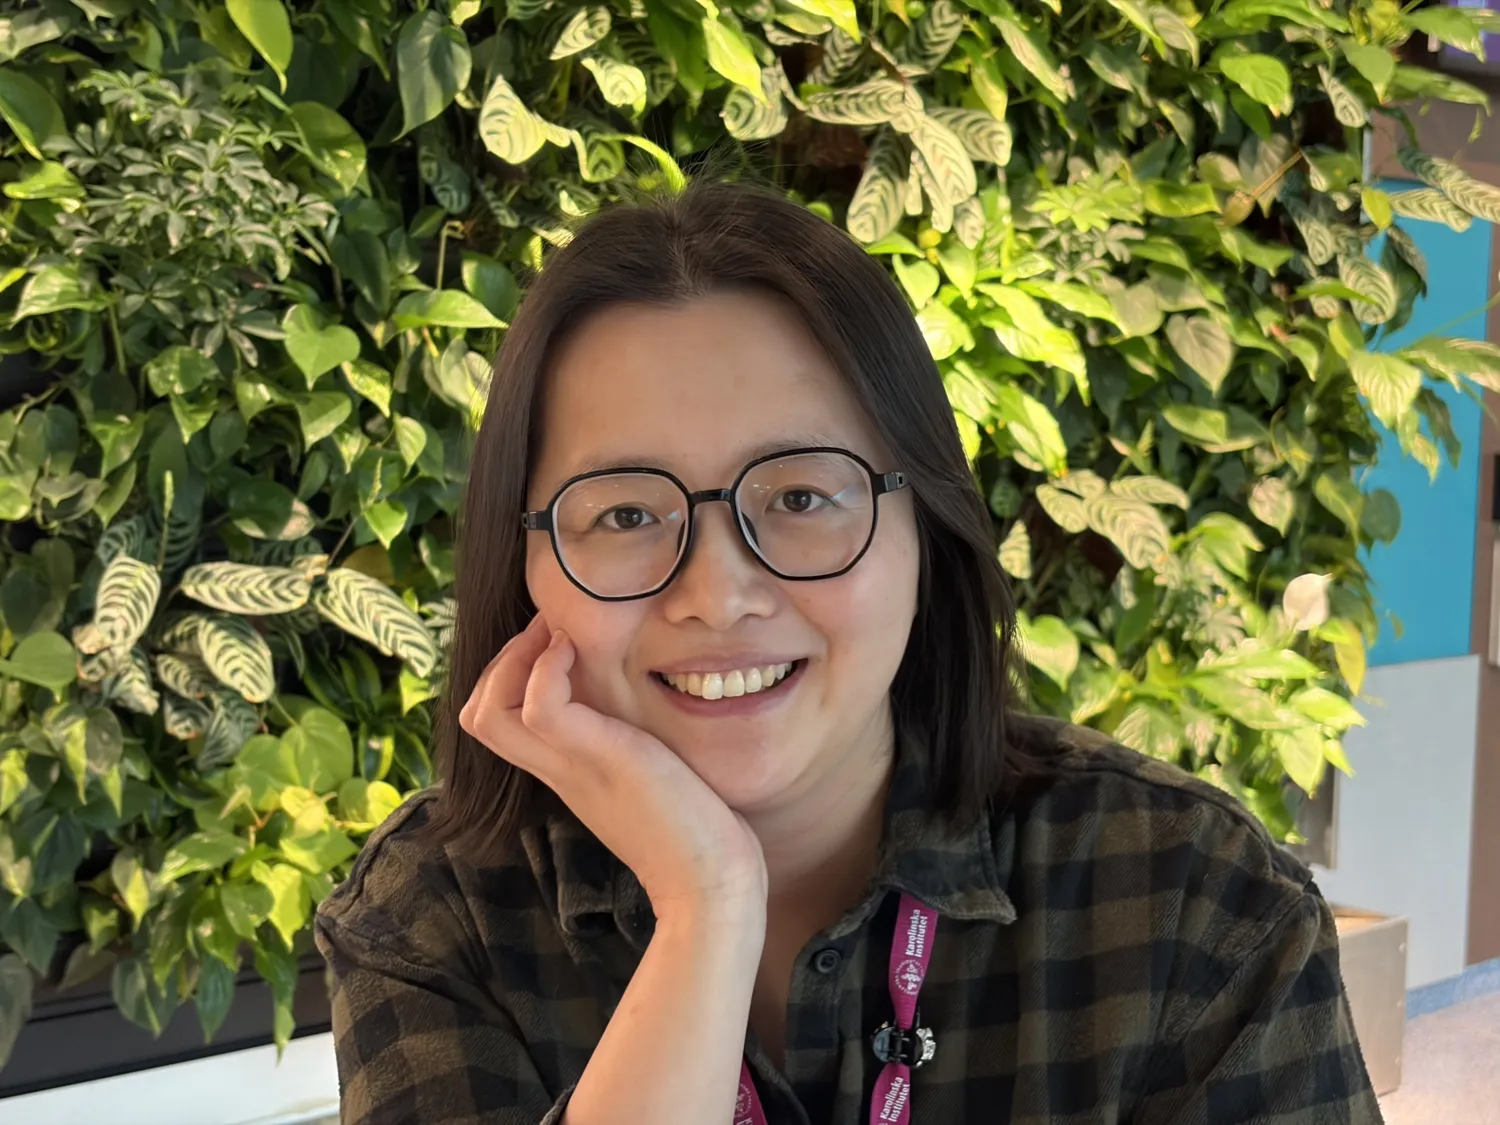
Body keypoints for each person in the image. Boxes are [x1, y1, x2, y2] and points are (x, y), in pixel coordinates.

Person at [314, 180, 1382, 1125]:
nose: (717, 595)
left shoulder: (1191, 902)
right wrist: (707, 906)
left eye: (803, 496)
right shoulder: (436, 912)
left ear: (927, 523)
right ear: (526, 562)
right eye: (628, 515)